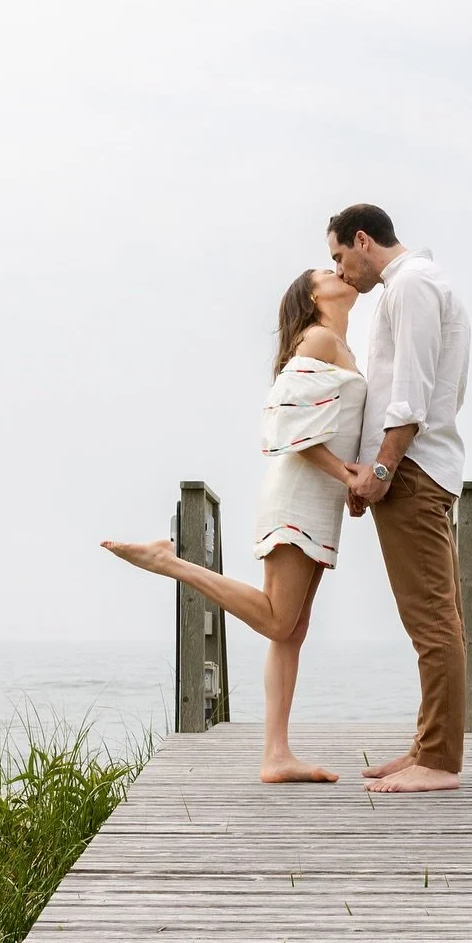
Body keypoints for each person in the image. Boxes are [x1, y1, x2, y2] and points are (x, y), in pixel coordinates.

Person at [102, 267, 364, 784]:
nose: (338, 270)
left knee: (292, 630)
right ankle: (173, 563)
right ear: (313, 295)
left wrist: (351, 484)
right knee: (278, 621)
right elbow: (284, 423)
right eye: (326, 270)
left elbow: (333, 428)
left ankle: (276, 755)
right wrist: (346, 475)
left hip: (320, 498)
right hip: (298, 493)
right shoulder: (318, 338)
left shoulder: (341, 346)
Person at [327, 204, 472, 794]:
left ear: (363, 240)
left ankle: (438, 762)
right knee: (437, 619)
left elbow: (410, 393)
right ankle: (425, 746)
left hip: (412, 472)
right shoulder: (414, 284)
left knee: (431, 621)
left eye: (340, 256)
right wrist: (373, 468)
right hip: (414, 470)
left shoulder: (411, 285)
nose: (340, 272)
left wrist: (383, 470)